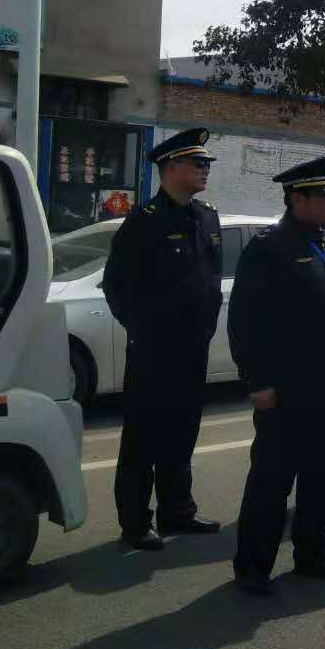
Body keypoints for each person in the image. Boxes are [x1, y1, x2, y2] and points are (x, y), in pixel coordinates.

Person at [229, 156, 325, 595]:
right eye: (324, 195)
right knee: (272, 481)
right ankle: (253, 567)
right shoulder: (269, 248)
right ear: (297, 199)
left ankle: (312, 554)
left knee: (320, 478)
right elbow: (245, 322)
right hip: (287, 391)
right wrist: (258, 382)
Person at [102, 128, 223, 551]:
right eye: (197, 163)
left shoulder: (207, 217)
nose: (205, 170)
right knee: (143, 438)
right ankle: (136, 523)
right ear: (171, 168)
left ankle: (178, 511)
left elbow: (210, 280)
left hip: (193, 348)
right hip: (154, 352)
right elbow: (116, 286)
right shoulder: (145, 221)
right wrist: (145, 332)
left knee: (182, 433)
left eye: (206, 164)